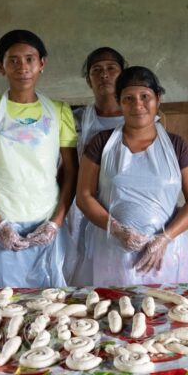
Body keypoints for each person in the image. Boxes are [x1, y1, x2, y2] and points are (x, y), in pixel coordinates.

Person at [0, 29, 78, 289]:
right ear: (0, 66)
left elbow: (71, 170)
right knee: (7, 301)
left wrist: (55, 223)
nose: (22, 67)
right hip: (2, 218)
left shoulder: (59, 112)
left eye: (29, 59)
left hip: (46, 219)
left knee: (51, 302)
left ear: (42, 63)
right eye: (13, 60)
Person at [75, 66, 188, 286]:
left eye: (145, 97)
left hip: (167, 252)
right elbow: (84, 196)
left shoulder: (176, 146)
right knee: (115, 311)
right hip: (113, 251)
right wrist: (115, 229)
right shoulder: (102, 144)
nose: (138, 105)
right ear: (119, 102)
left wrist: (164, 238)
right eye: (128, 99)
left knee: (168, 312)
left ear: (158, 99)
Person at [64, 47, 126, 286]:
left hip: (122, 206)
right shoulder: (77, 119)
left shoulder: (143, 117)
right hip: (84, 205)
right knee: (85, 270)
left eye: (111, 69)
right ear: (89, 80)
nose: (104, 75)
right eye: (96, 71)